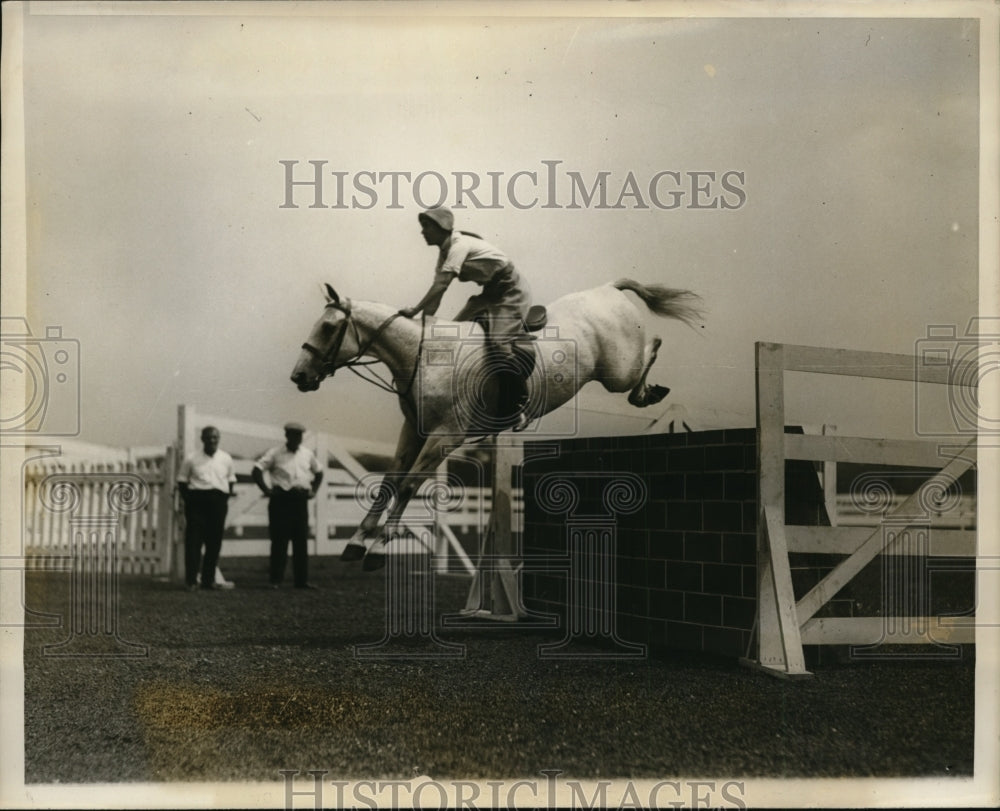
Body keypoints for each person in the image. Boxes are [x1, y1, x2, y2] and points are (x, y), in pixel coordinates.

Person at [399, 206, 533, 431]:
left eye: (427, 227)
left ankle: (521, 406)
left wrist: (414, 312)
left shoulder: (458, 246)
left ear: (442, 228)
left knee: (499, 344)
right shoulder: (444, 252)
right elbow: (437, 294)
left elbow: (441, 285)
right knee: (453, 333)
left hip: (512, 291)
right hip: (490, 294)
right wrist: (424, 327)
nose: (423, 232)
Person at [252, 422, 324, 589]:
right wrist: (266, 490)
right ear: (286, 436)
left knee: (301, 542)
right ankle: (276, 580)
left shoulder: (307, 454)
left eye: (299, 435)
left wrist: (313, 490)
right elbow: (256, 470)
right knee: (279, 541)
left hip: (299, 500)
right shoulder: (275, 453)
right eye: (293, 435)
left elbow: (319, 472)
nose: (296, 438)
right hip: (281, 500)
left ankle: (301, 581)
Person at [177, 426, 236, 592]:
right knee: (194, 541)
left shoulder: (226, 458)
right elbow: (182, 481)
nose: (212, 440)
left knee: (214, 542)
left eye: (215, 437)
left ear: (219, 439)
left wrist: (224, 497)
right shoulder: (191, 458)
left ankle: (208, 580)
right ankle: (191, 581)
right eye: (208, 437)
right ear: (202, 439)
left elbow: (231, 479)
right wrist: (190, 500)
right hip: (197, 502)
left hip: (217, 502)